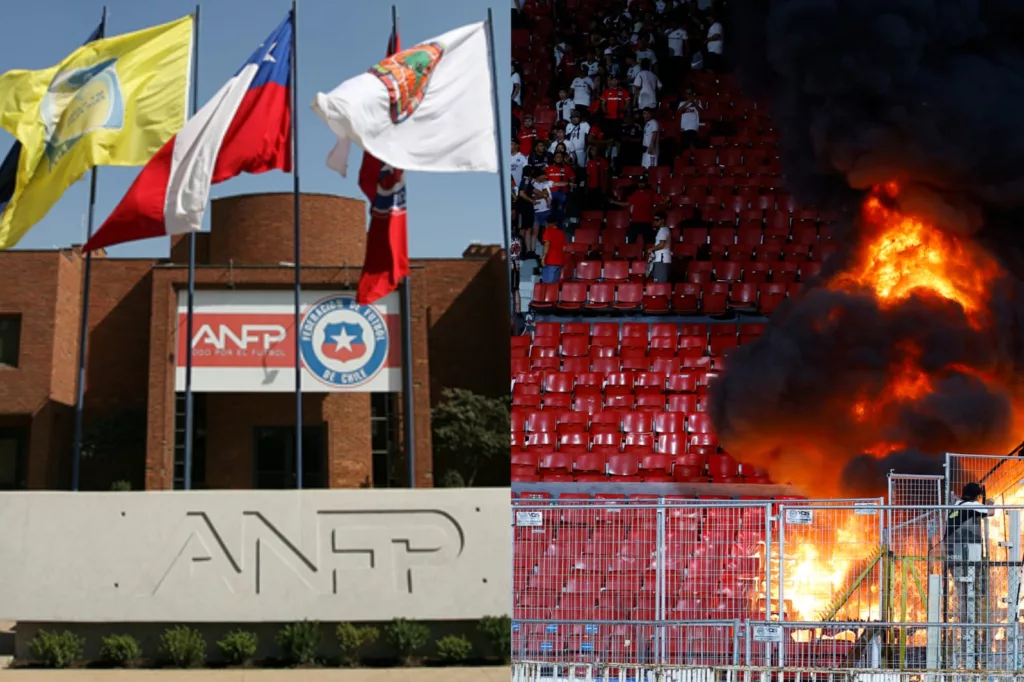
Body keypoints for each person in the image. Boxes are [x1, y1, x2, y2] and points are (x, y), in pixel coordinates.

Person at [945, 482, 995, 625]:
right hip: (968, 554)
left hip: (953, 554)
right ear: (976, 496)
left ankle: (965, 627)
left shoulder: (956, 505)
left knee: (963, 593)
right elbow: (990, 512)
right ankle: (972, 628)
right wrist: (990, 502)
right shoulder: (972, 505)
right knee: (973, 591)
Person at [647, 212, 672, 282]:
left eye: (657, 220)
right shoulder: (663, 230)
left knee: (660, 282)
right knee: (658, 280)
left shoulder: (663, 230)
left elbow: (661, 245)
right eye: (654, 220)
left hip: (662, 259)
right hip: (661, 258)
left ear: (663, 220)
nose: (655, 222)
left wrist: (651, 249)